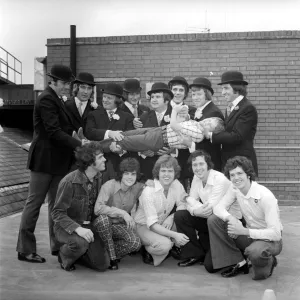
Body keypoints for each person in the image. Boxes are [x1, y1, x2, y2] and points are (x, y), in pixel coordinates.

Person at [16, 64, 83, 263]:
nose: (67, 87)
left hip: (58, 162)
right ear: (52, 81)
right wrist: (79, 144)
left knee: (56, 206)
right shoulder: (46, 98)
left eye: (68, 83)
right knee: (34, 204)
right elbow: (53, 132)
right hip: (44, 161)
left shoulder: (58, 100)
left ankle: (57, 245)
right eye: (63, 83)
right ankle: (25, 249)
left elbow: (65, 128)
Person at [207, 156, 282, 280]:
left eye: (239, 173)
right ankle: (239, 261)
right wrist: (230, 218)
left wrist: (244, 231)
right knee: (214, 220)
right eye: (232, 175)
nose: (236, 178)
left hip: (270, 240)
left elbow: (276, 234)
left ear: (248, 174)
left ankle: (269, 259)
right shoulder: (235, 188)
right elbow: (218, 208)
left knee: (258, 265)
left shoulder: (265, 196)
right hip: (249, 235)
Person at [174, 150, 241, 267]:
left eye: (201, 164)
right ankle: (194, 254)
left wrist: (187, 198)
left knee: (210, 266)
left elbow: (210, 209)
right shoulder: (196, 177)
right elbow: (193, 204)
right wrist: (195, 211)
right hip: (207, 219)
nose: (198, 168)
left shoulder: (219, 179)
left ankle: (239, 254)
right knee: (180, 215)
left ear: (208, 164)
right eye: (195, 165)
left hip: (224, 223)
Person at [52, 142, 109, 272]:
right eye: (101, 157)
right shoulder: (69, 182)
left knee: (103, 265)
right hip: (67, 227)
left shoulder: (98, 177)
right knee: (80, 244)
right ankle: (64, 256)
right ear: (89, 161)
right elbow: (57, 213)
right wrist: (78, 229)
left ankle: (80, 254)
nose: (105, 159)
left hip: (89, 226)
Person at [98, 104, 224, 153]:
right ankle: (93, 144)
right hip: (160, 131)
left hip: (160, 138)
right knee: (127, 134)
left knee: (124, 141)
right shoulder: (196, 125)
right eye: (208, 119)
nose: (206, 121)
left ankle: (91, 146)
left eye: (209, 124)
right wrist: (185, 116)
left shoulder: (198, 133)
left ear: (210, 132)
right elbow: (181, 124)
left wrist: (174, 111)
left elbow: (175, 126)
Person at [134, 155, 189, 266]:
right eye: (163, 171)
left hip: (163, 223)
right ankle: (146, 247)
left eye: (170, 171)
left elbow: (183, 203)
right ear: (157, 172)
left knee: (183, 219)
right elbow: (152, 225)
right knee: (165, 246)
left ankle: (167, 241)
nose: (166, 174)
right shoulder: (149, 191)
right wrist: (175, 235)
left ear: (175, 173)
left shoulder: (176, 185)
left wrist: (172, 216)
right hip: (144, 226)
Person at [93, 157, 143, 271]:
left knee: (135, 243)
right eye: (126, 173)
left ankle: (105, 252)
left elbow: (150, 188)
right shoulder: (109, 185)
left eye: (133, 174)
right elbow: (98, 209)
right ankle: (112, 259)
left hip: (118, 226)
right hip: (102, 225)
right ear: (121, 174)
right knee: (104, 220)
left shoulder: (137, 188)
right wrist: (122, 213)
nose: (130, 177)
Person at [204, 71, 258, 174]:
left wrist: (211, 135)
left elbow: (237, 136)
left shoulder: (247, 108)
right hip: (230, 164)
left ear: (237, 89)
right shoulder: (230, 108)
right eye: (222, 88)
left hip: (242, 166)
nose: (223, 92)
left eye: (226, 88)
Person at [85, 82, 134, 176]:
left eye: (109, 98)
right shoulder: (93, 114)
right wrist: (109, 133)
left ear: (118, 100)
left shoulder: (127, 117)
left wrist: (121, 150)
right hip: (96, 165)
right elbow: (89, 132)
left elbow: (130, 138)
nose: (105, 100)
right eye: (104, 97)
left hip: (119, 164)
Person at [130, 82, 174, 180]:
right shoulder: (144, 117)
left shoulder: (175, 116)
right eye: (152, 97)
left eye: (157, 97)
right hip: (149, 167)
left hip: (169, 167)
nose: (153, 99)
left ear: (166, 101)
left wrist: (173, 148)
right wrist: (143, 151)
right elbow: (137, 139)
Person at [181, 77, 224, 171]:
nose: (195, 98)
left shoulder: (213, 112)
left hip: (210, 165)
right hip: (201, 164)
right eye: (193, 94)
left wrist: (190, 144)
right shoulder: (201, 110)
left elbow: (212, 144)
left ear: (207, 94)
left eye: (199, 94)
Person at [168, 76, 196, 190]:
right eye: (174, 89)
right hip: (167, 157)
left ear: (185, 94)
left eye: (181, 90)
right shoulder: (164, 108)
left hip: (186, 158)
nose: (177, 93)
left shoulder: (192, 111)